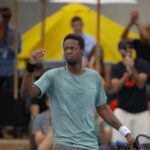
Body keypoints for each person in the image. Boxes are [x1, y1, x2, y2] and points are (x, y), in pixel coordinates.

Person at [21, 34, 135, 150]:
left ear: (82, 51)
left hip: (90, 145)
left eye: (72, 48)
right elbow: (26, 94)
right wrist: (30, 67)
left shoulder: (94, 77)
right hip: (65, 144)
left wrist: (125, 132)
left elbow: (103, 109)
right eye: (66, 49)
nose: (68, 51)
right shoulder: (53, 75)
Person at [111, 40, 150, 142]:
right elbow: (115, 88)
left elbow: (140, 84)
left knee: (143, 144)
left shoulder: (142, 64)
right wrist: (128, 74)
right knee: (121, 144)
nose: (128, 50)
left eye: (130, 48)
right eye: (125, 48)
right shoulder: (116, 68)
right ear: (119, 51)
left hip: (141, 111)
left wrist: (132, 68)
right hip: (123, 111)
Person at [121, 9, 150, 111]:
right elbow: (123, 38)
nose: (142, 32)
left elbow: (146, 38)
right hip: (139, 73)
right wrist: (130, 23)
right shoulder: (138, 42)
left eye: (145, 30)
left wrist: (137, 22)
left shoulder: (147, 41)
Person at [0, 7, 21, 90]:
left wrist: (11, 45)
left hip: (11, 69)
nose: (6, 18)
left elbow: (18, 50)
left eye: (8, 16)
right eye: (4, 16)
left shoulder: (15, 31)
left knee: (11, 94)